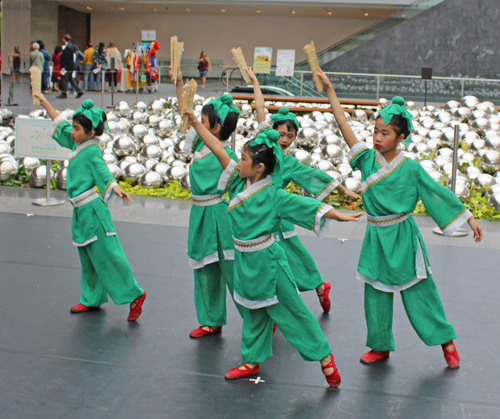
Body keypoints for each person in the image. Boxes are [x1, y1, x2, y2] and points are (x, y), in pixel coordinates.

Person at [316, 68, 483, 369]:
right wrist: (330, 91)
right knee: (375, 295)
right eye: (375, 131)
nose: (377, 137)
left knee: (420, 292)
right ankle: (380, 346)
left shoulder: (411, 168)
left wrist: (467, 217)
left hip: (403, 237)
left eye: (385, 133)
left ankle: (445, 340)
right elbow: (342, 124)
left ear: (401, 136)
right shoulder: (366, 160)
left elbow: (437, 193)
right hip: (376, 238)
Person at [184, 108, 362, 386]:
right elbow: (217, 147)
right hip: (245, 261)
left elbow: (306, 205)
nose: (237, 161)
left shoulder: (274, 195)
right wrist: (195, 123)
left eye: (243, 158)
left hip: (268, 262)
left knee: (294, 313)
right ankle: (251, 361)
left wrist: (337, 213)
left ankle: (324, 356)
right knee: (254, 312)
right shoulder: (234, 183)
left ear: (260, 168)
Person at [246, 67, 361, 313]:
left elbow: (315, 176)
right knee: (272, 262)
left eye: (291, 135)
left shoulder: (289, 163)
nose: (285, 139)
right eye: (281, 132)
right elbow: (260, 109)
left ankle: (319, 287)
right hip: (256, 215)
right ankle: (276, 305)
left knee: (295, 255)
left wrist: (343, 190)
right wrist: (256, 82)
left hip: (278, 216)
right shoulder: (259, 151)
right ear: (272, 130)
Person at [33, 93, 147, 321]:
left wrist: (114, 187)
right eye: (73, 128)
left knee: (109, 255)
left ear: (91, 132)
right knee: (88, 257)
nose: (72, 132)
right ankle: (92, 298)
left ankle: (135, 293)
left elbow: (103, 171)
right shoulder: (78, 143)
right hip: (81, 212)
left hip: (93, 211)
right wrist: (46, 103)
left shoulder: (92, 150)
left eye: (77, 128)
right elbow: (62, 127)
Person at [170, 65, 244, 339]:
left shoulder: (228, 156)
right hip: (200, 215)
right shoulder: (201, 146)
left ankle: (258, 316)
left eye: (201, 119)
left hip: (219, 216)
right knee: (205, 269)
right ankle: (211, 320)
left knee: (234, 272)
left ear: (214, 127)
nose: (195, 122)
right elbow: (184, 113)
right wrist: (178, 82)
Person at [57, 34, 84, 99]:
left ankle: (64, 93)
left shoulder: (68, 47)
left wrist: (63, 66)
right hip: (71, 65)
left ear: (64, 39)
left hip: (68, 66)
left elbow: (66, 58)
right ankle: (79, 91)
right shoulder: (71, 46)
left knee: (64, 80)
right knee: (71, 79)